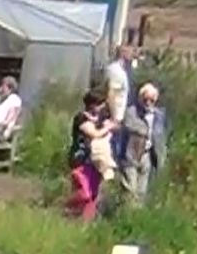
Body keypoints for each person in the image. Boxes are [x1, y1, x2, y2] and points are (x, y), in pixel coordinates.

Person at [68, 91, 114, 219]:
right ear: (92, 104)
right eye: (99, 104)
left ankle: (84, 222)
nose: (102, 107)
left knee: (93, 195)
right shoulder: (81, 118)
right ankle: (66, 206)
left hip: (95, 160)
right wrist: (107, 128)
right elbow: (94, 133)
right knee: (84, 193)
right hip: (80, 159)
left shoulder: (101, 119)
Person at [124, 83, 168, 200]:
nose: (148, 103)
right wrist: (145, 128)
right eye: (145, 99)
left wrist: (161, 157)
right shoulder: (131, 112)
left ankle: (137, 215)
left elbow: (162, 136)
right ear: (140, 98)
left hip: (148, 155)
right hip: (132, 154)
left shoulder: (159, 116)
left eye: (152, 100)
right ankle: (127, 214)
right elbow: (129, 126)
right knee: (130, 190)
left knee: (142, 191)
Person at [104, 44, 135, 112]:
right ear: (123, 54)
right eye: (131, 53)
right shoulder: (116, 70)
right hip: (117, 108)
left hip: (126, 106)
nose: (133, 56)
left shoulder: (128, 69)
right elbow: (112, 92)